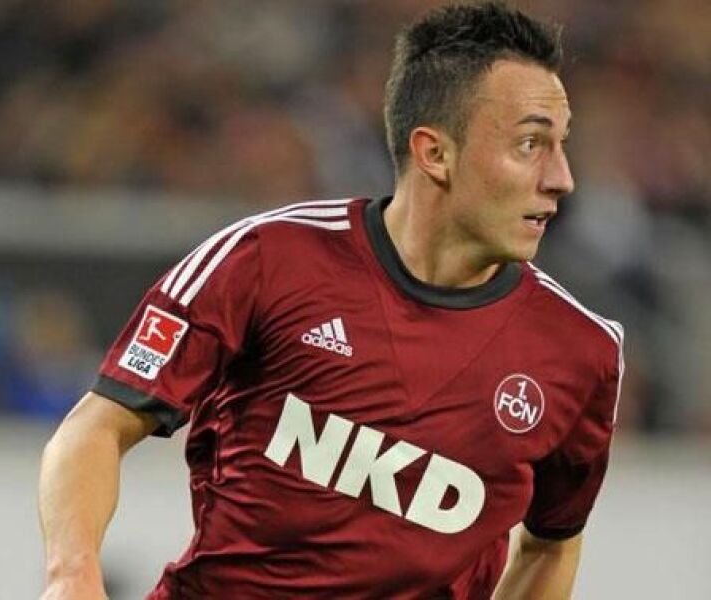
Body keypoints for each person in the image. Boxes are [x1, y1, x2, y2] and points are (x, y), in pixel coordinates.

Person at [39, 3, 624, 598]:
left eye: (561, 145)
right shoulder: (267, 259)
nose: (561, 178)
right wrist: (72, 576)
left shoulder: (581, 353)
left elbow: (552, 542)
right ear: (434, 153)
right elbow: (97, 426)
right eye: (530, 144)